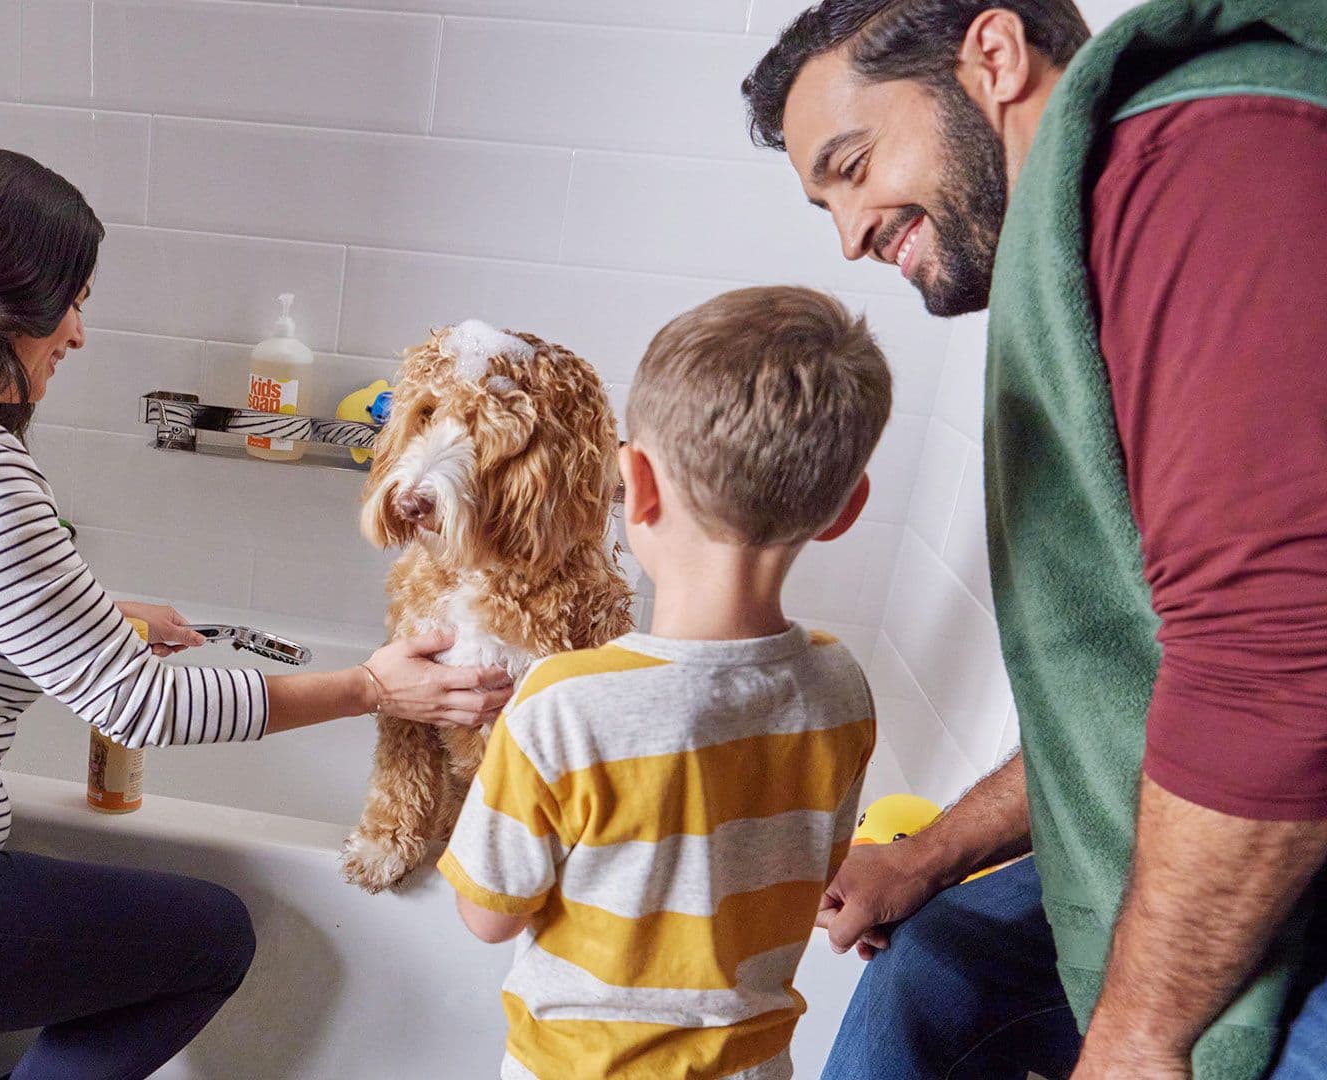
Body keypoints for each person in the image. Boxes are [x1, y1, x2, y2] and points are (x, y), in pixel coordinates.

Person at [0, 149, 514, 1080]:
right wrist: (372, 687)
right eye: (71, 301)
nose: (79, 334)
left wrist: (104, 612)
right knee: (211, 941)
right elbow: (142, 709)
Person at [742, 1, 1327, 1078]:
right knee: (928, 972)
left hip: (1297, 823)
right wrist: (927, 857)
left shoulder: (1204, 162)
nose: (851, 234)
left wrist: (1137, 1036)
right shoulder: (1082, 245)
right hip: (1244, 777)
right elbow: (1119, 693)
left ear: (995, 59)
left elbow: (1279, 671)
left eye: (855, 164)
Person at [437, 286, 893, 1080]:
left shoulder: (564, 703)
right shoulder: (839, 685)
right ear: (845, 509)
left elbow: (487, 916)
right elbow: (806, 869)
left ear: (635, 486)